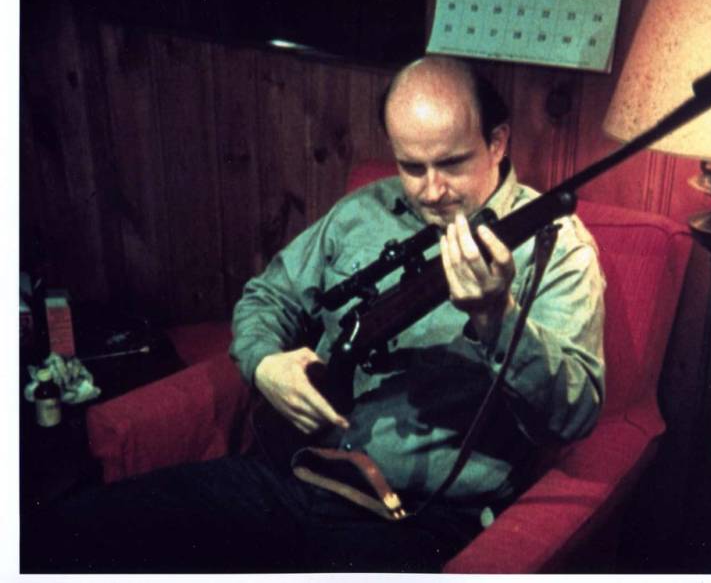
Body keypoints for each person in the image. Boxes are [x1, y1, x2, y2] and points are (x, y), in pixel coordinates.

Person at [27, 56, 605, 573]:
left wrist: (496, 316)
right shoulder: (363, 210)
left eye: (451, 164)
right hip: (296, 474)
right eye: (411, 166)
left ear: (497, 142)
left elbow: (573, 413)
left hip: (415, 519)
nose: (431, 190)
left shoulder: (557, 247)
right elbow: (267, 297)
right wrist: (264, 364)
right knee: (67, 531)